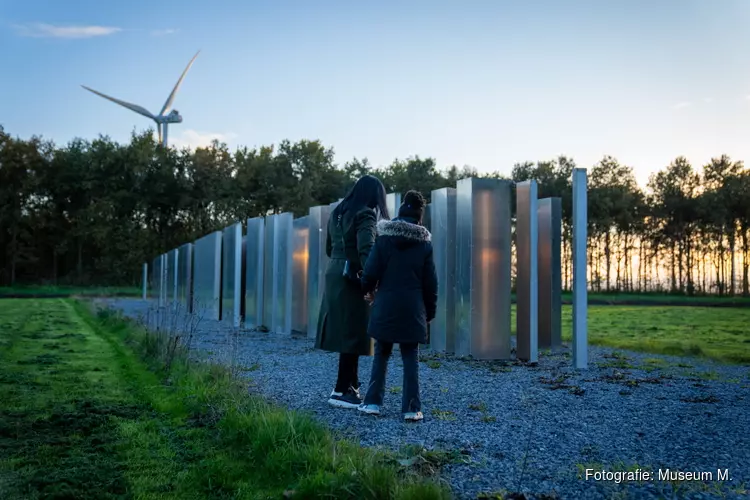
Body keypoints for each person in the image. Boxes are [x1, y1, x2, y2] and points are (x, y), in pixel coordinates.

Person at [357, 190, 437, 421]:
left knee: (381, 352)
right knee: (410, 355)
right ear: (419, 218)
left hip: (386, 305)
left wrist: (366, 290)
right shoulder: (424, 245)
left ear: (400, 213)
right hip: (413, 309)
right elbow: (431, 283)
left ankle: (372, 403)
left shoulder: (383, 239)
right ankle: (412, 408)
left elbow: (370, 272)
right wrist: (429, 312)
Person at [315, 174, 390, 409]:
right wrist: (372, 280)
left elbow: (329, 247)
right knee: (353, 332)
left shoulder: (338, 212)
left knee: (346, 330)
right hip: (353, 276)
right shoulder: (365, 214)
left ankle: (350, 386)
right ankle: (341, 389)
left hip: (335, 272)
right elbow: (366, 248)